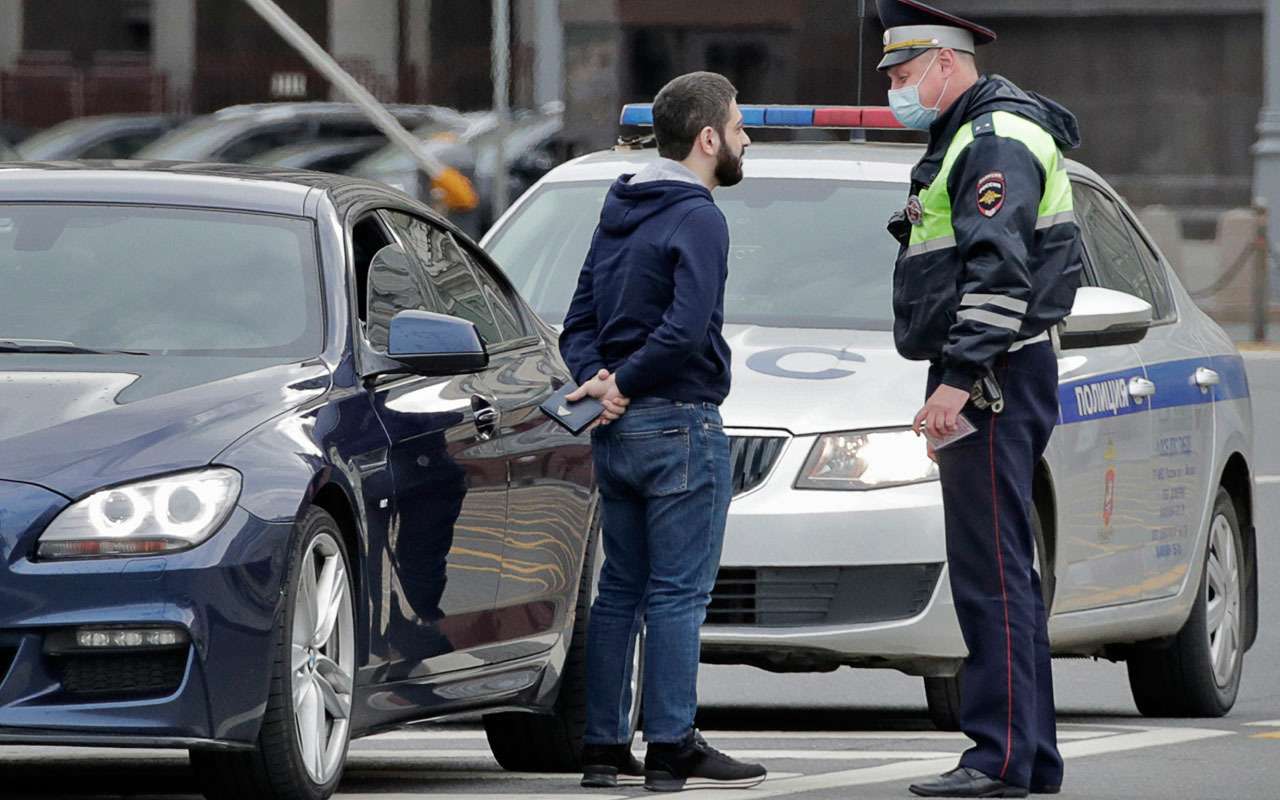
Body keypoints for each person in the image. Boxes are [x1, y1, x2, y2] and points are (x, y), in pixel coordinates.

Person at [876, 1, 1084, 797]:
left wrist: (957, 382)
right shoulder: (978, 131)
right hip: (999, 372)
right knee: (1006, 573)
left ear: (946, 63)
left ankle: (995, 757)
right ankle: (1027, 757)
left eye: (903, 73)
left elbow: (999, 277)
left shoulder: (992, 138)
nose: (895, 88)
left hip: (991, 377)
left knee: (990, 573)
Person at [558, 70, 766, 793]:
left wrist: (599, 382)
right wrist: (627, 383)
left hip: (616, 434)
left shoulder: (619, 207)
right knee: (679, 594)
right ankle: (673, 743)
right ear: (707, 139)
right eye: (738, 128)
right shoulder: (700, 216)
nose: (745, 139)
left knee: (620, 590)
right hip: (680, 422)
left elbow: (580, 317)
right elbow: (685, 331)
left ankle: (604, 747)